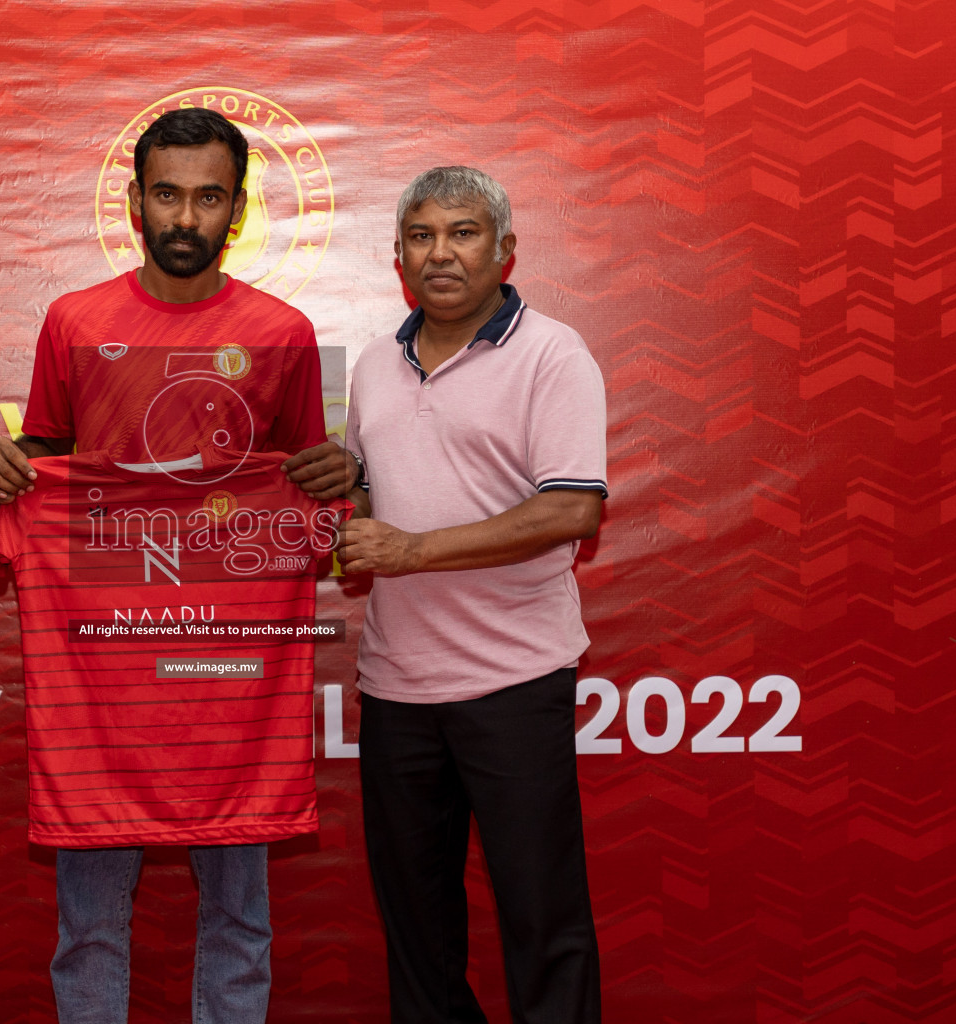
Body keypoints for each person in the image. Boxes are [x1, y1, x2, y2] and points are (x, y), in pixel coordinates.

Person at [0, 107, 353, 1024]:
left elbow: (316, 491)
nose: (187, 217)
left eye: (209, 197)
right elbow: (47, 468)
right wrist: (6, 473)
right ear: (136, 202)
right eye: (168, 195)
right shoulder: (71, 322)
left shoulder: (288, 331)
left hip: (235, 663)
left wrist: (346, 474)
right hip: (102, 668)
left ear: (240, 208)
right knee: (91, 924)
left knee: (239, 914)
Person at [337, 166, 607, 1024]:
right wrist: (340, 519)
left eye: (462, 233)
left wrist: (410, 550)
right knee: (418, 938)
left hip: (514, 684)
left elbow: (572, 508)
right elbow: (376, 500)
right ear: (398, 259)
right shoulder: (376, 365)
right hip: (396, 688)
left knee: (542, 924)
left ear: (504, 251)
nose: (440, 253)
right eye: (422, 237)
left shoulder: (553, 352)